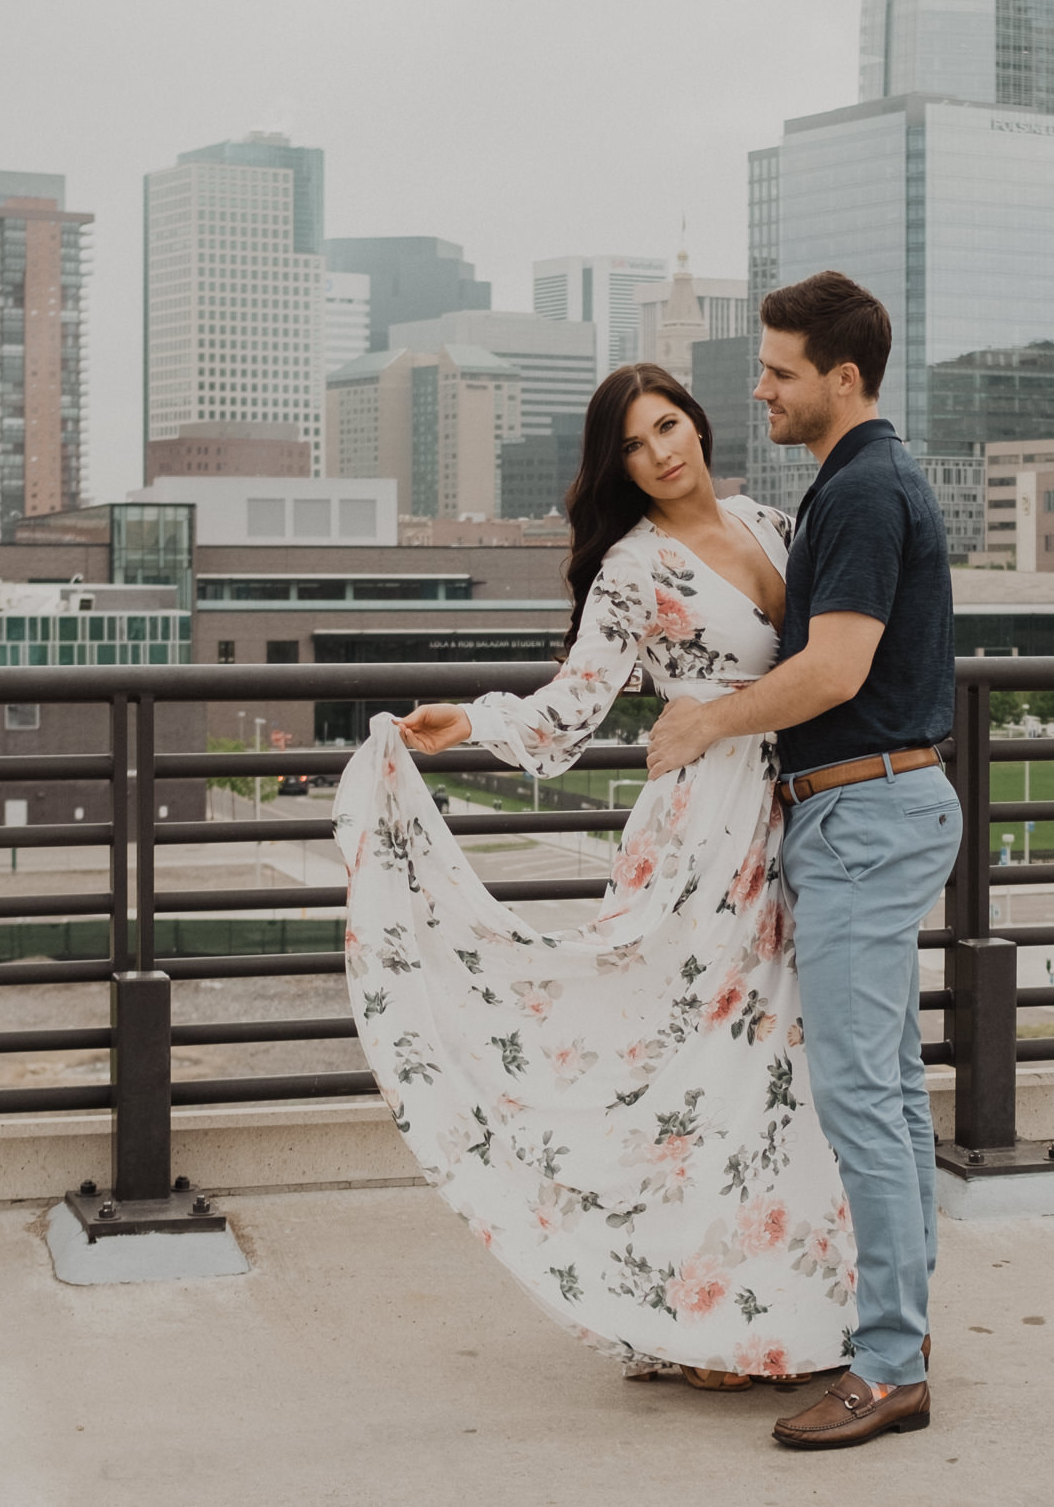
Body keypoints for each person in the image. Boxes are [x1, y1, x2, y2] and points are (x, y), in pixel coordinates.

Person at [333, 361, 856, 1390]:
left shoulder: (774, 524)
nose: (660, 450)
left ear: (698, 425)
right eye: (633, 443)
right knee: (700, 1068)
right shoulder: (631, 569)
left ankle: (766, 1301)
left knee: (780, 1066)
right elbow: (567, 715)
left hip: (796, 807)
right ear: (618, 465)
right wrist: (473, 719)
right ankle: (693, 1316)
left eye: (668, 425)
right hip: (702, 827)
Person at [646, 269, 958, 1451]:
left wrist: (702, 722)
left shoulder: (868, 491)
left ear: (843, 375)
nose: (759, 388)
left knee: (864, 1100)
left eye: (778, 370)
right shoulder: (850, 485)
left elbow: (833, 670)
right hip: (870, 810)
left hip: (868, 814)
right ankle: (900, 1340)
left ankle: (885, 1368)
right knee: (888, 1094)